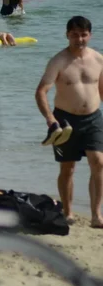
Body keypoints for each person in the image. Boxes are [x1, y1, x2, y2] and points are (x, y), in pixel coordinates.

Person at [35, 16, 103, 227]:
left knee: (99, 163)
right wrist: (50, 119)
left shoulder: (99, 60)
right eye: (74, 34)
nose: (79, 39)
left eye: (83, 34)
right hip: (65, 120)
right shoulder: (59, 61)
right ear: (67, 35)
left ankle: (96, 215)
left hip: (93, 118)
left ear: (89, 35)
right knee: (68, 168)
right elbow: (41, 92)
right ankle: (68, 212)